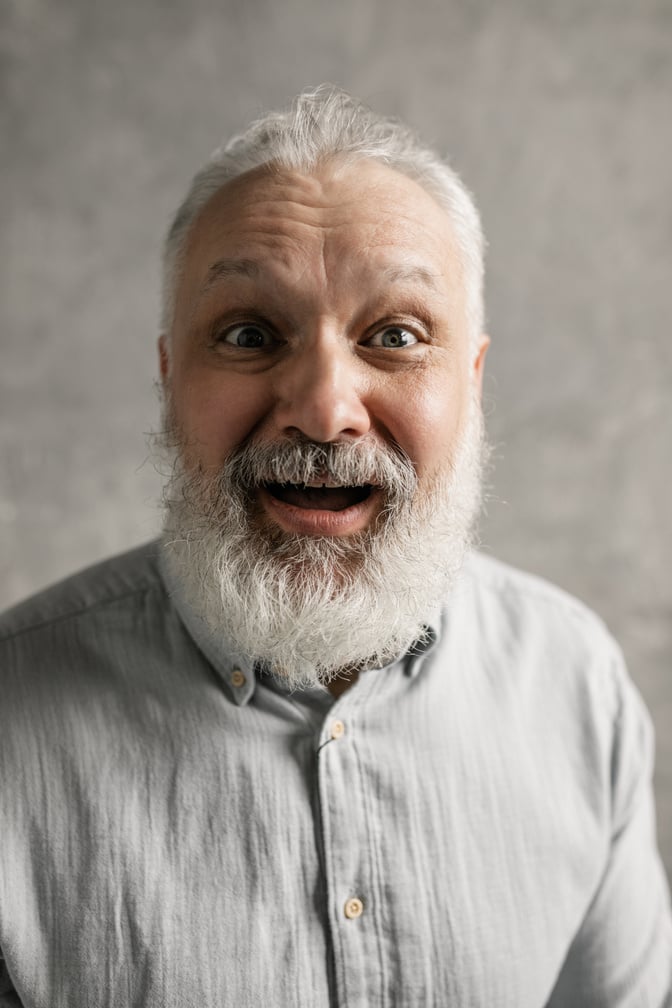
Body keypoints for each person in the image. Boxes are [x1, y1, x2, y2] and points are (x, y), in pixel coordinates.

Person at [0, 86, 670, 1007]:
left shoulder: (576, 688)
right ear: (168, 378)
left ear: (470, 383)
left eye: (395, 336)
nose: (322, 407)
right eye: (248, 334)